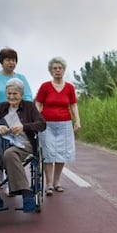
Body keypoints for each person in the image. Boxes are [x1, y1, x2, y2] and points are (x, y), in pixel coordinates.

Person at [0, 78, 46, 213]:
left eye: (15, 94)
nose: (11, 96)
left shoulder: (29, 107)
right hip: (0, 144)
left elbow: (42, 124)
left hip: (23, 146)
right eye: (9, 93)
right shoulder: (0, 108)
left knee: (10, 153)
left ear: (21, 94)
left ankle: (27, 196)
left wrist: (24, 127)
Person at [0, 47, 33, 196]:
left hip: (17, 116)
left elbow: (28, 96)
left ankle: (12, 180)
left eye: (14, 60)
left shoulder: (21, 78)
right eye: (8, 59)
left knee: (13, 146)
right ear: (1, 61)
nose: (12, 62)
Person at [35, 57, 81, 196]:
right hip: (47, 124)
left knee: (62, 153)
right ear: (51, 71)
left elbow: (73, 105)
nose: (57, 70)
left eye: (60, 68)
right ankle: (48, 184)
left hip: (65, 124)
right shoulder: (45, 86)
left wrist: (77, 120)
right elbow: (38, 103)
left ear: (63, 70)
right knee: (48, 154)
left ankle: (57, 182)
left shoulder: (69, 87)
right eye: (54, 68)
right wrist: (38, 117)